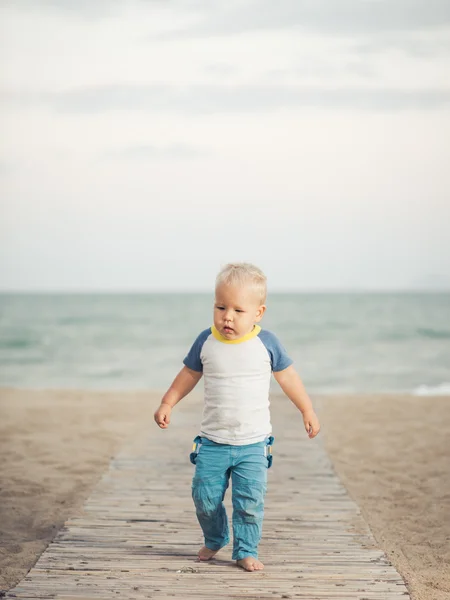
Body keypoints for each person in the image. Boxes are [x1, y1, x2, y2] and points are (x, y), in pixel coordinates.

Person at [154, 262, 320, 572]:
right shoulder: (207, 340)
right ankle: (216, 537)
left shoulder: (266, 343)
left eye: (238, 310)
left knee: (249, 503)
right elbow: (189, 374)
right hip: (213, 442)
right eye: (220, 307)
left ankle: (245, 549)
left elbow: (289, 378)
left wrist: (306, 409)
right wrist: (168, 402)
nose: (227, 316)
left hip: (253, 444)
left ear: (258, 313)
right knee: (204, 497)